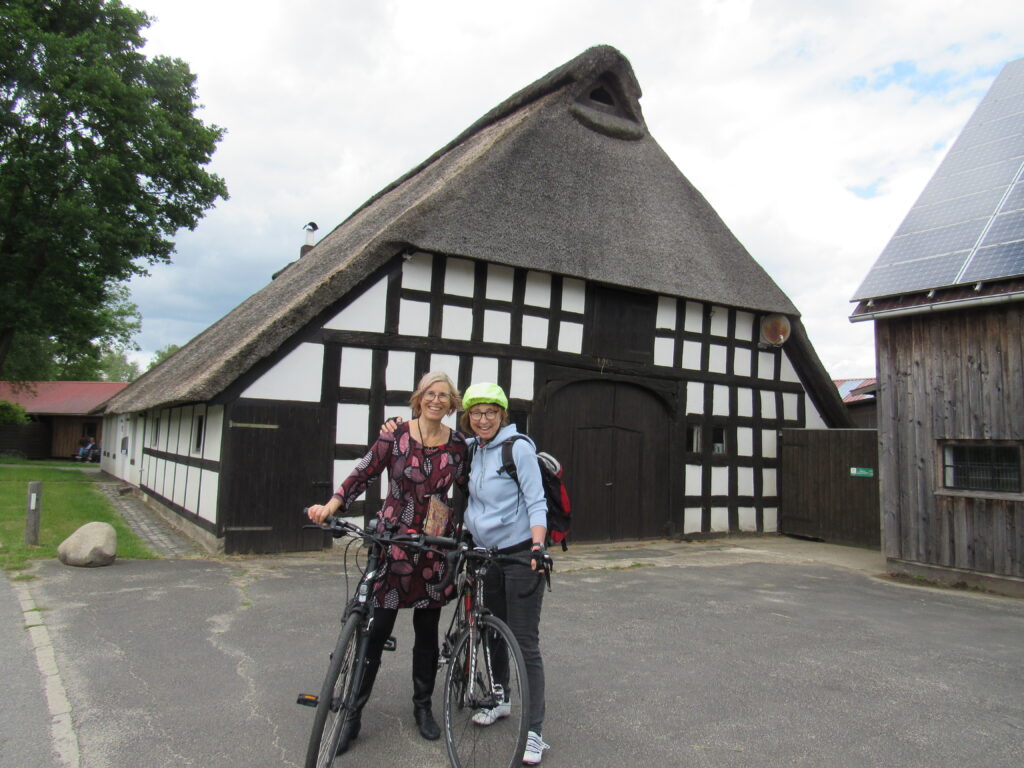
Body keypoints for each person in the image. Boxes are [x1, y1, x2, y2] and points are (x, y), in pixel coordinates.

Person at [383, 381, 552, 764]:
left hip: (521, 554)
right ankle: (501, 697)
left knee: (524, 642)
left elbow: (536, 500)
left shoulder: (518, 448)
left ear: (502, 415)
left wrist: (538, 547)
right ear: (468, 417)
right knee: (490, 629)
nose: (483, 419)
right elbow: (431, 438)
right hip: (483, 554)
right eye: (476, 413)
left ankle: (535, 732)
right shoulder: (471, 447)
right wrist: (394, 425)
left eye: (491, 412)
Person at [306, 371, 467, 754]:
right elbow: (364, 470)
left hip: (432, 544)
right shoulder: (394, 435)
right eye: (431, 393)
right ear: (419, 397)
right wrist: (332, 504)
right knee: (375, 633)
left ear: (452, 403)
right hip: (393, 542)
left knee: (427, 634)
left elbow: (472, 490)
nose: (437, 400)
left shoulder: (460, 446)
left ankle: (423, 707)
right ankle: (352, 715)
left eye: (444, 395)